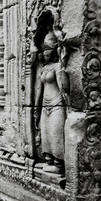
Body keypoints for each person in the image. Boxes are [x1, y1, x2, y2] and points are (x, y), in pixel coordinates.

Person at [34, 30, 69, 174]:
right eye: (44, 49)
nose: (45, 52)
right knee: (46, 133)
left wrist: (63, 62)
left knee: (56, 134)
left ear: (54, 50)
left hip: (57, 104)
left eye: (48, 49)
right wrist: (36, 107)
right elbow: (38, 91)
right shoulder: (43, 68)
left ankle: (59, 164)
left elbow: (64, 87)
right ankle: (48, 160)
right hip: (45, 106)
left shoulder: (57, 66)